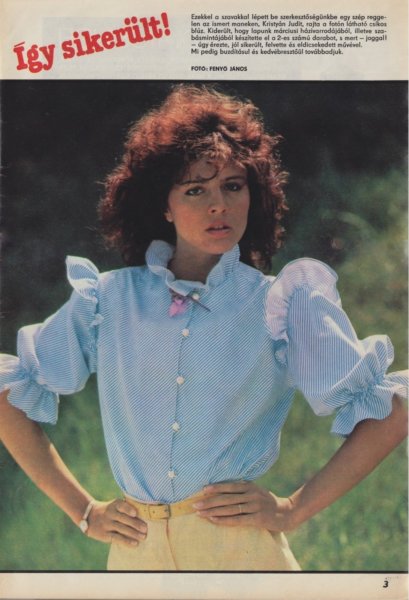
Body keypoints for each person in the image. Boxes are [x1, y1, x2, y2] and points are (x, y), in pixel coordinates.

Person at [0, 84, 407, 571]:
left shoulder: (282, 302)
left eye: (233, 186)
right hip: (135, 556)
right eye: (196, 189)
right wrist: (83, 511)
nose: (219, 205)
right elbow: (8, 395)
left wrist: (293, 508)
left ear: (253, 194)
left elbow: (391, 410)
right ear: (164, 205)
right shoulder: (108, 299)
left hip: (242, 555)